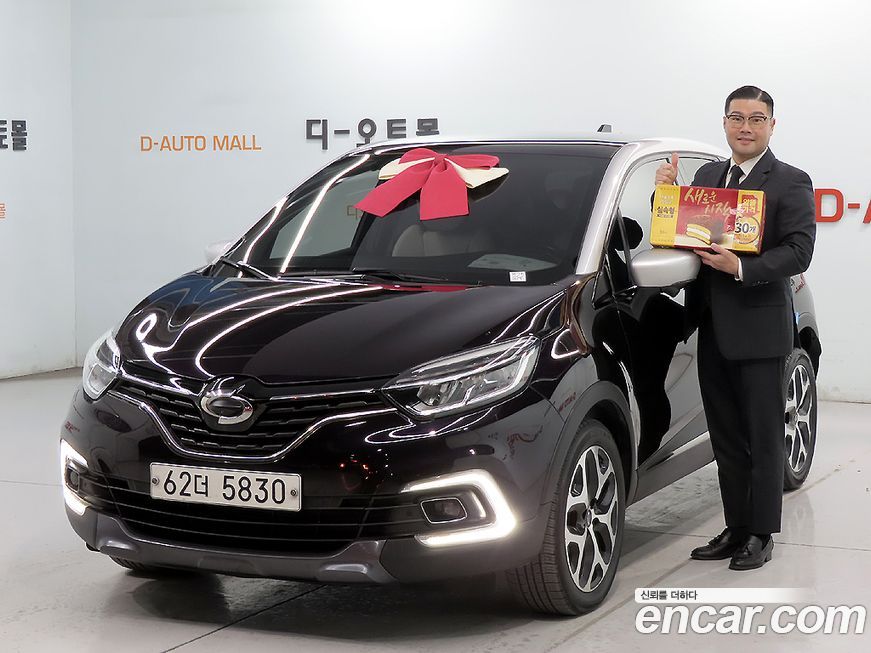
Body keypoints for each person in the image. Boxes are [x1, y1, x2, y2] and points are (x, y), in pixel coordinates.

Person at [654, 85, 816, 570]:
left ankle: (761, 533)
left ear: (772, 125)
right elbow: (678, 233)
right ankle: (736, 526)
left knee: (762, 436)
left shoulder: (790, 181)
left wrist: (741, 267)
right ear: (725, 122)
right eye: (737, 118)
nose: (746, 127)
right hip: (711, 326)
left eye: (756, 119)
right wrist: (666, 195)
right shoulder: (708, 177)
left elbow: (799, 251)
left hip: (759, 327)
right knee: (724, 436)